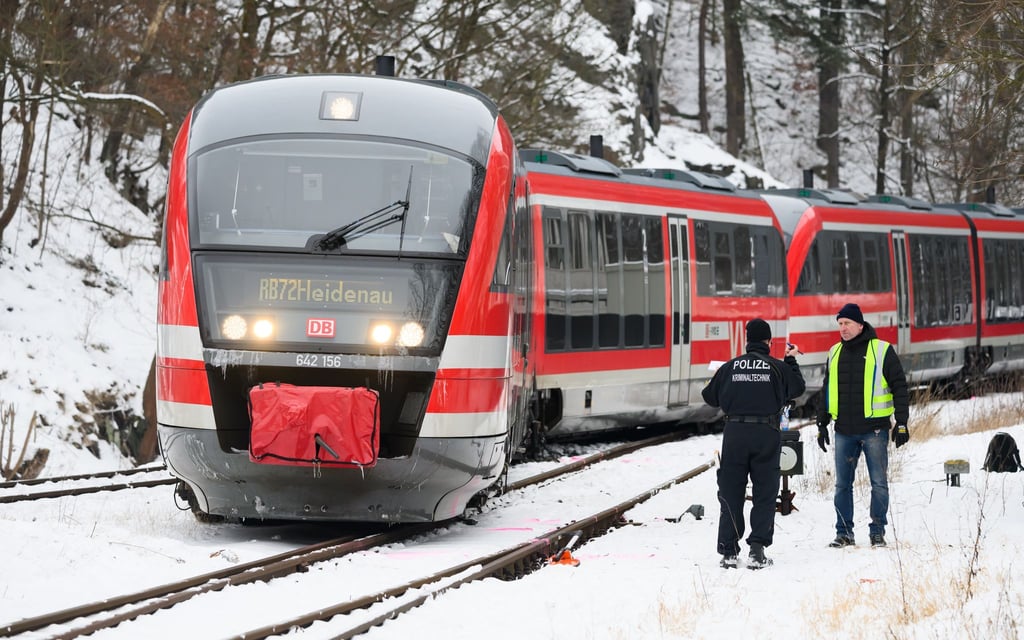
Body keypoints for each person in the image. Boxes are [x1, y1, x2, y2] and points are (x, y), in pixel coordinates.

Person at [702, 318, 805, 570]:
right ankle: (757, 551)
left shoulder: (730, 366)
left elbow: (709, 397)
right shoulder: (777, 367)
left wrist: (721, 379)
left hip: (735, 434)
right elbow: (797, 388)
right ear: (769, 341)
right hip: (766, 434)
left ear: (747, 340)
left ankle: (728, 551)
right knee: (765, 492)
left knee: (731, 491)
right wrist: (790, 360)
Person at [816, 303, 909, 549]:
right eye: (840, 324)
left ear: (860, 324)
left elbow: (900, 386)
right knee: (841, 486)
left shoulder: (882, 350)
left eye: (847, 323)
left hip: (874, 430)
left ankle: (877, 532)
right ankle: (844, 533)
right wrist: (822, 423)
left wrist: (901, 422)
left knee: (878, 484)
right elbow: (827, 389)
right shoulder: (834, 352)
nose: (843, 328)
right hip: (844, 430)